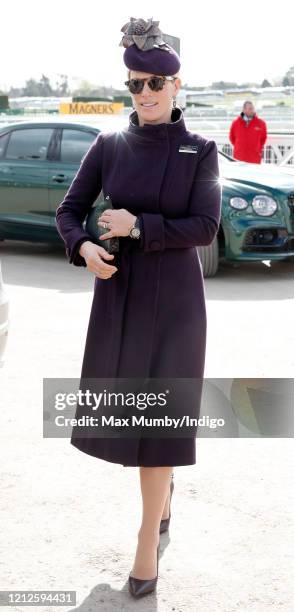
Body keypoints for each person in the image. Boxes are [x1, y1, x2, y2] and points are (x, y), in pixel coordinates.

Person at [55, 17, 222, 599]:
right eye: (135, 84)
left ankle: (147, 540)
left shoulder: (201, 150)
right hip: (120, 299)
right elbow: (68, 210)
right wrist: (85, 248)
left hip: (176, 303)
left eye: (156, 82)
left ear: (177, 86)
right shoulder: (108, 145)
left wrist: (137, 224)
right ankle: (163, 499)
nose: (146, 94)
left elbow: (204, 227)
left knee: (160, 426)